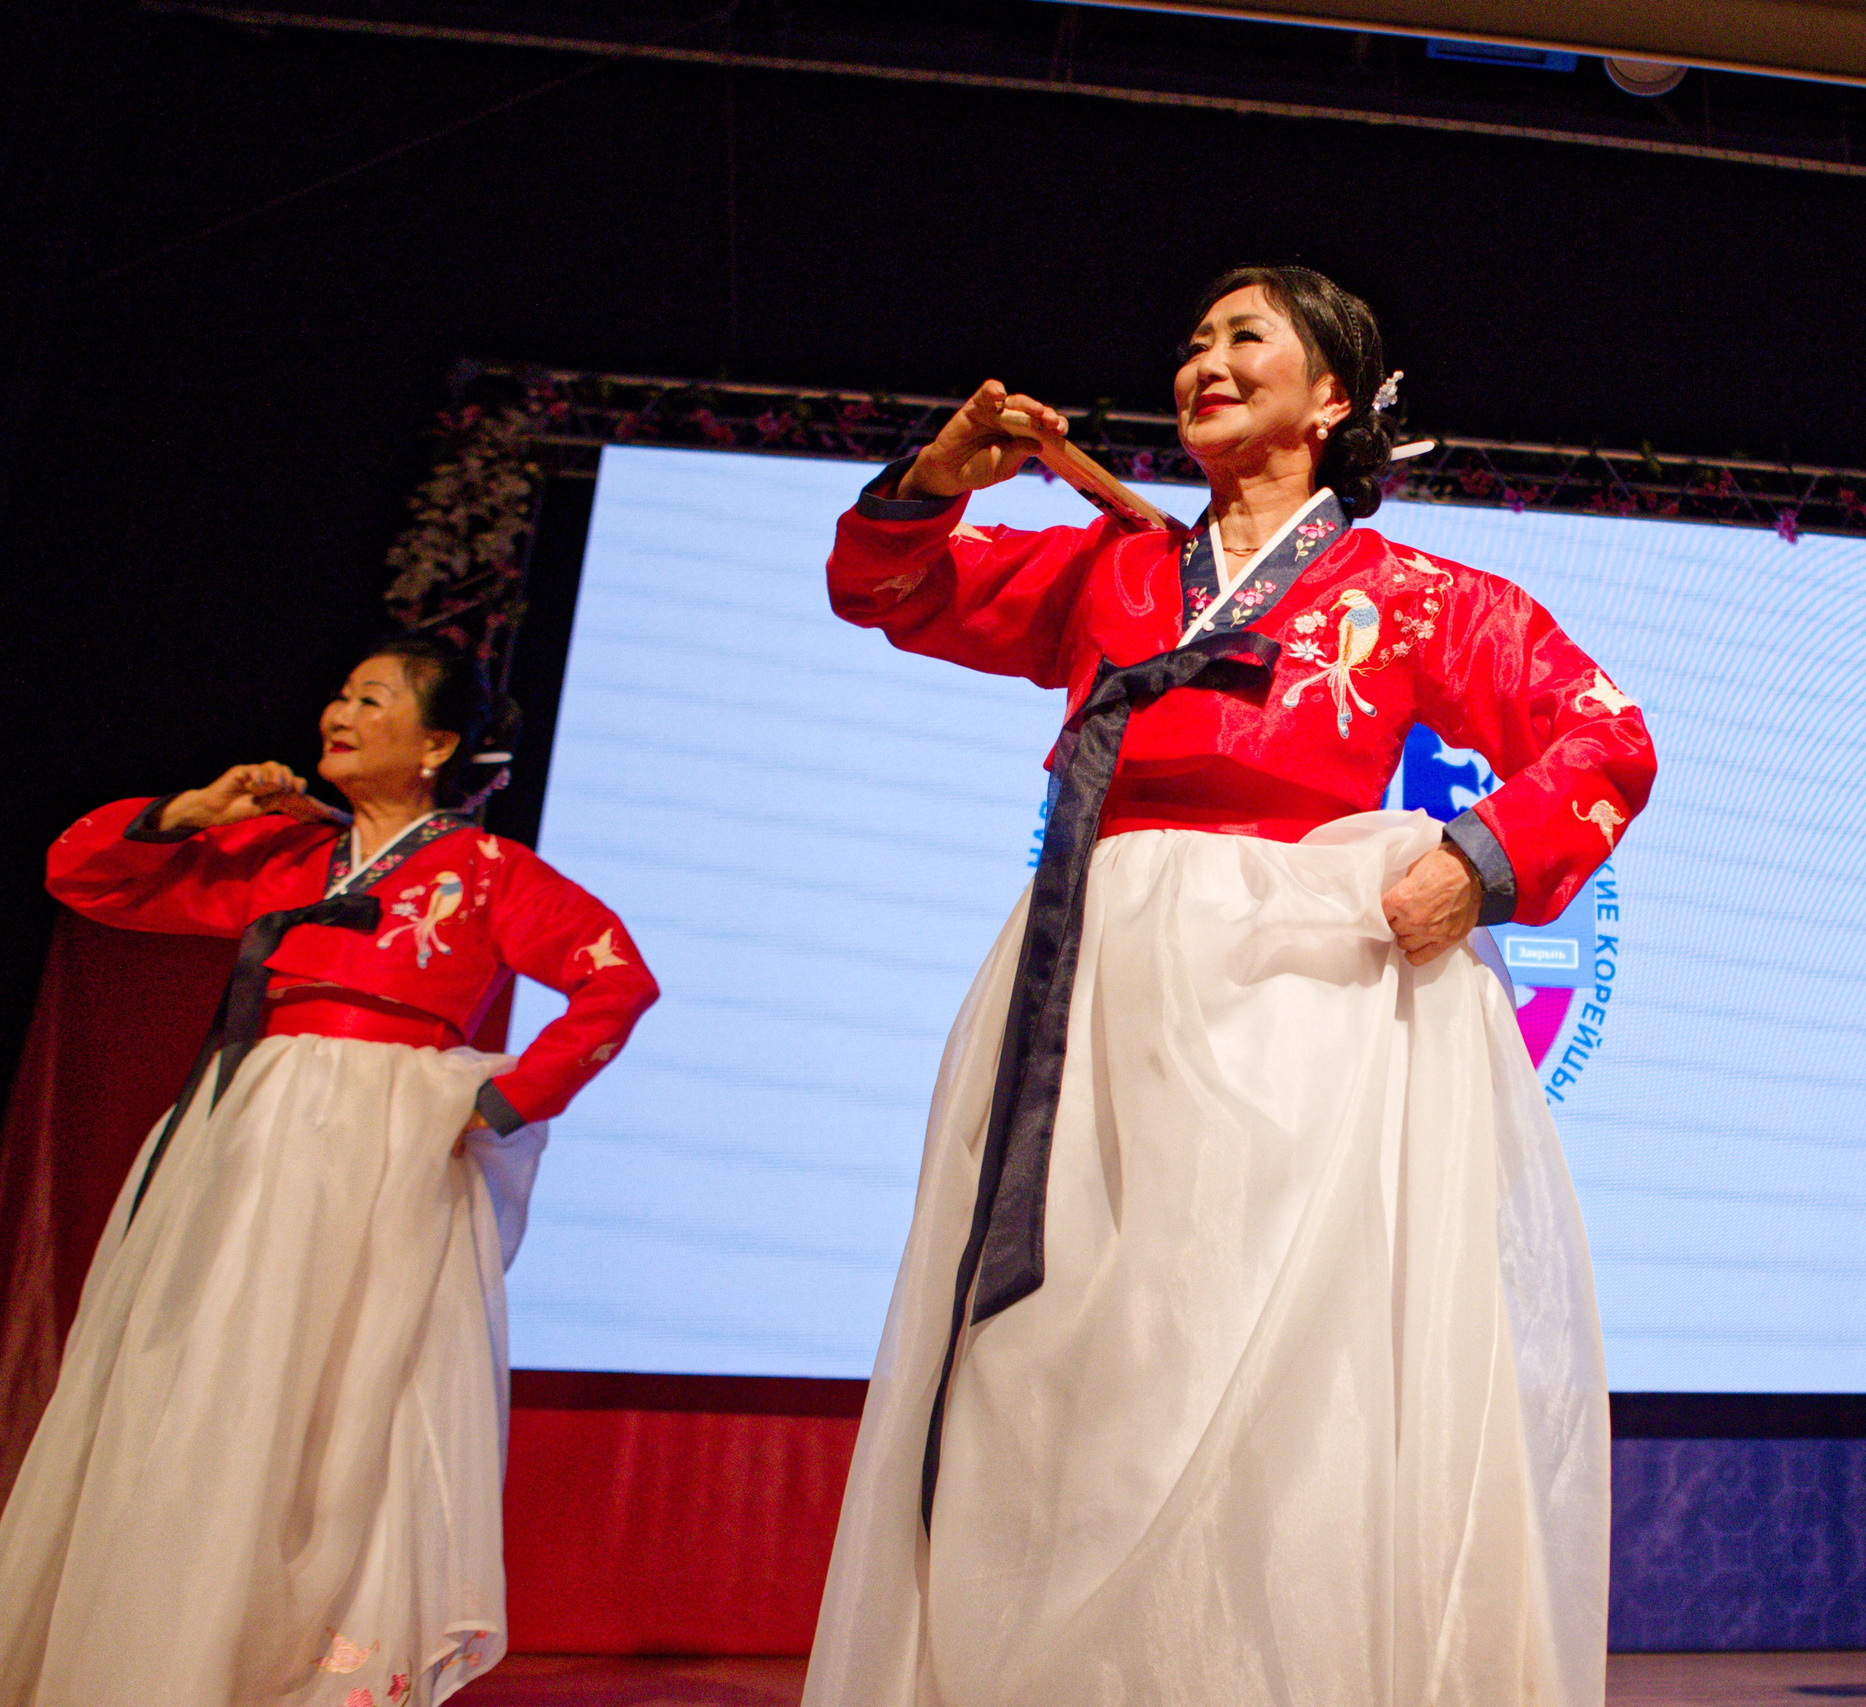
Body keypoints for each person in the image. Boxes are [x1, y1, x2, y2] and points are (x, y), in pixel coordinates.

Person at [803, 265, 1655, 1706]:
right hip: (1089, 967)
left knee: (1260, 1352)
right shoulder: (1109, 571)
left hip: (1292, 991)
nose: (1204, 359)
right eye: (1192, 339)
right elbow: (887, 586)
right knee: (1061, 1345)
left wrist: (1481, 860)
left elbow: (1606, 735)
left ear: (1332, 397)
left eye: (1245, 337)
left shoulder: (1415, 594)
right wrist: (939, 478)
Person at [0, 635, 659, 1707]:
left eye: (373, 699)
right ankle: (179, 1647)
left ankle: (315, 1662)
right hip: (256, 1131)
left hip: (385, 1142)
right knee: (220, 1376)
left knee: (352, 1397)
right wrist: (193, 814)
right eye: (341, 695)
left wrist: (502, 1103)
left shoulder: (489, 874)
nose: (338, 714)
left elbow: (615, 981)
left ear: (438, 743)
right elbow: (79, 873)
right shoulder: (286, 856)